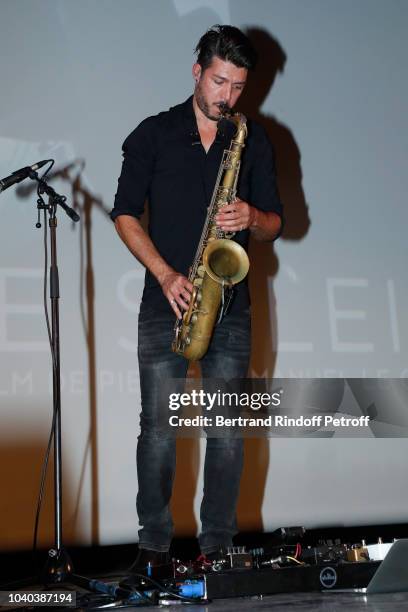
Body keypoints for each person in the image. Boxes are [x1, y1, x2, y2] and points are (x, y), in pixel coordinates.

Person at [111, 25, 283, 573]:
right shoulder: (153, 135)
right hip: (167, 301)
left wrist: (253, 218)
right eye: (218, 81)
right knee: (158, 430)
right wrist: (164, 274)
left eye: (237, 87)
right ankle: (154, 548)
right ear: (197, 71)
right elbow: (123, 214)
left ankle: (217, 550)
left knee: (227, 432)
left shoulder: (251, 141)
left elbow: (276, 224)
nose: (226, 97)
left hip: (229, 309)